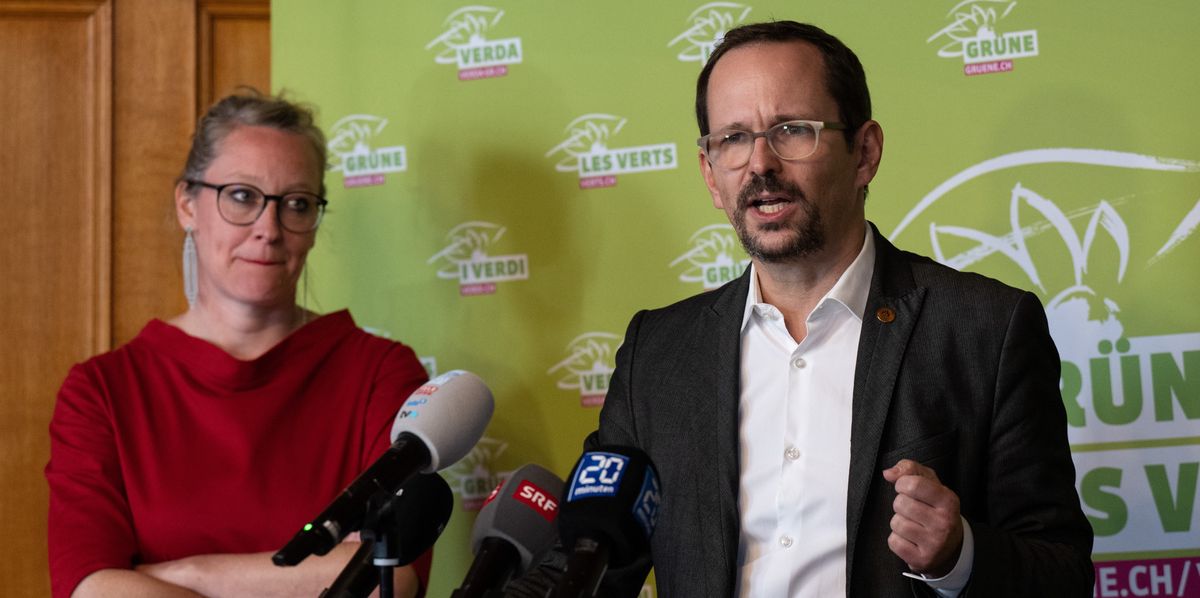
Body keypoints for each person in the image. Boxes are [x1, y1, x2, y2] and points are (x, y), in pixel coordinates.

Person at [515, 21, 1094, 598]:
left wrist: (958, 554)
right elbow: (586, 562)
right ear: (710, 175)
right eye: (734, 138)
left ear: (864, 153)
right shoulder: (658, 353)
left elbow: (1061, 572)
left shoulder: (984, 328)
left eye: (792, 130)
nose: (760, 164)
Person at [45, 91, 431, 598]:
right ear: (188, 204)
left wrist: (186, 575)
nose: (268, 230)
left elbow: (391, 579)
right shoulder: (101, 390)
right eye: (243, 196)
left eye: (296, 204)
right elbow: (91, 589)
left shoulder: (383, 374)